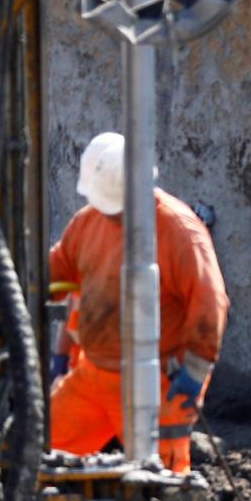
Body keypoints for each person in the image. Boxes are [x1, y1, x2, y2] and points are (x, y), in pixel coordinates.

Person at [46, 130, 229, 472]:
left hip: (159, 385)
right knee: (35, 460)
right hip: (93, 377)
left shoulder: (178, 230)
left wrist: (194, 374)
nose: (112, 215)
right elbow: (55, 275)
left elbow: (209, 305)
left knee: (164, 490)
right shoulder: (88, 223)